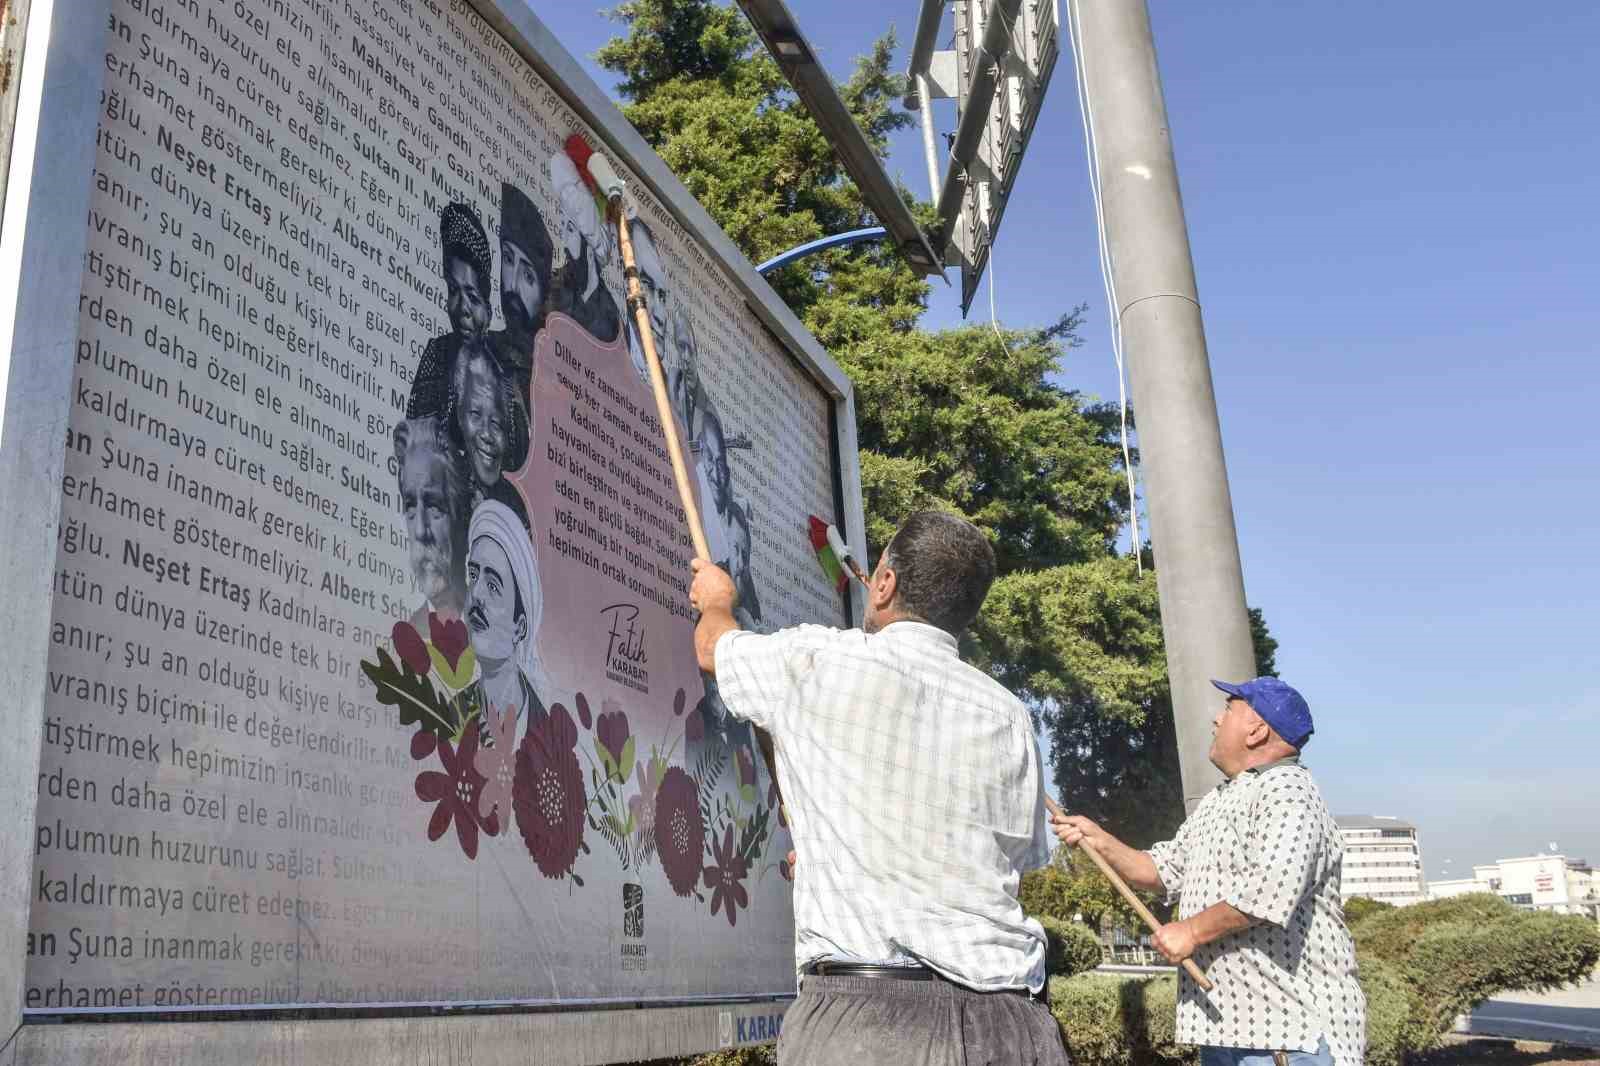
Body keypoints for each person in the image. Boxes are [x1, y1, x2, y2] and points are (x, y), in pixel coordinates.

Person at [687, 511, 1069, 1066]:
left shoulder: (819, 660)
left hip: (868, 1024)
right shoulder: (1009, 713)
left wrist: (717, 600)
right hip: (1013, 1025)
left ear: (885, 583)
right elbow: (1012, 863)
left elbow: (714, 649)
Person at [1051, 678, 1366, 1066]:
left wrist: (1190, 931)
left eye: (1229, 708)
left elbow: (1271, 888)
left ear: (1257, 730)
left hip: (1289, 1037)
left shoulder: (1288, 789)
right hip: (1230, 1031)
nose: (1217, 720)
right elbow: (1161, 871)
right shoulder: (1221, 798)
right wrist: (1098, 839)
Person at [461, 499, 550, 746]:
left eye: (492, 586)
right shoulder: (448, 718)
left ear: (519, 627)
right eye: (473, 575)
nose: (476, 594)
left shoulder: (550, 740)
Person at [408, 203, 494, 420]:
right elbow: (417, 436)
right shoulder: (436, 357)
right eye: (454, 291)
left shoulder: (502, 370)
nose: (462, 308)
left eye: (473, 297)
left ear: (488, 308)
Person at [394, 417, 471, 627]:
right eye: (410, 506)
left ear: (462, 519)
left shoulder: (495, 636)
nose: (420, 531)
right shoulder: (401, 644)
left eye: (435, 507)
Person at [447, 335, 530, 526]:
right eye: (475, 414)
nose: (486, 434)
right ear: (460, 416)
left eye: (496, 423)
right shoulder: (443, 492)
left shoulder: (517, 513)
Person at [488, 182, 555, 401]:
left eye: (528, 276)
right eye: (508, 259)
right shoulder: (481, 350)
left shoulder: (553, 383)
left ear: (543, 294)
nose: (513, 285)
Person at [547, 152, 621, 345]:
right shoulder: (554, 292)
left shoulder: (612, 322)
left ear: (590, 251)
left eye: (570, 228)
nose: (563, 238)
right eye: (563, 225)